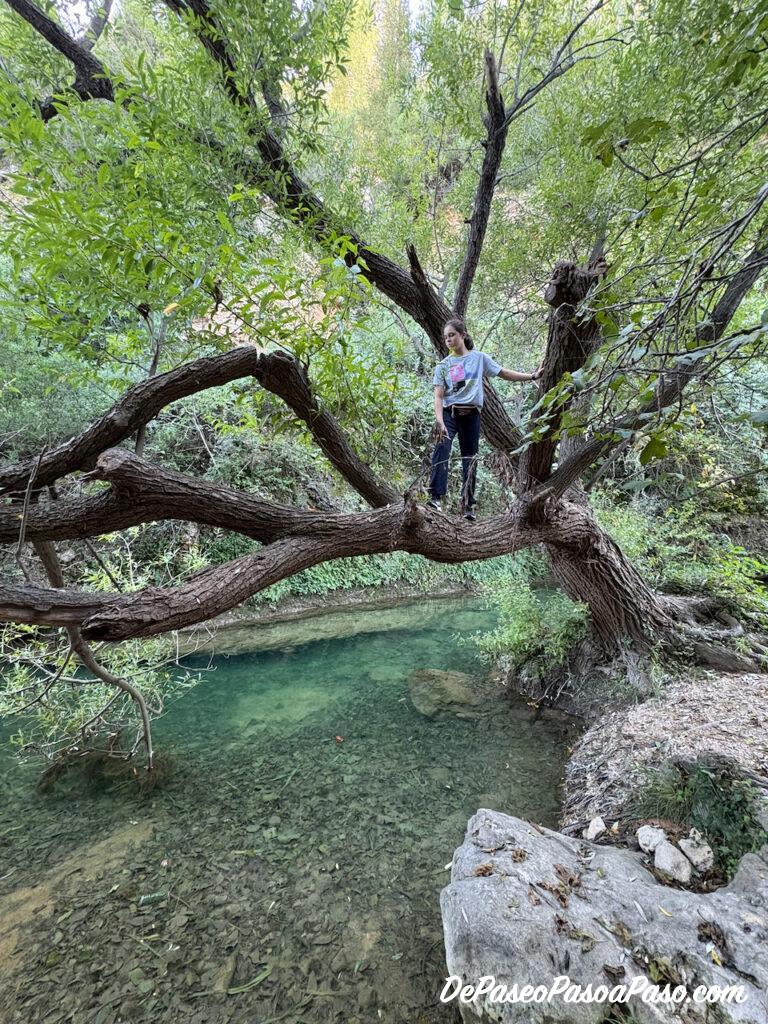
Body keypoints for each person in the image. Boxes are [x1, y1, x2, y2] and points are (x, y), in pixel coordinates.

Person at [427, 318, 541, 520]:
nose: (448, 339)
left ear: (463, 335)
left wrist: (532, 376)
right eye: (445, 337)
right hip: (449, 414)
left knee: (469, 458)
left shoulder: (479, 358)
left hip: (471, 415)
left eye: (452, 335)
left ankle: (468, 506)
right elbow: (438, 395)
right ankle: (435, 498)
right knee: (442, 447)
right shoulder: (443, 366)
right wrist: (440, 422)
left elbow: (504, 373)